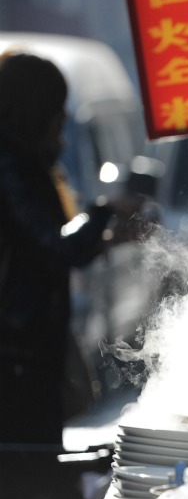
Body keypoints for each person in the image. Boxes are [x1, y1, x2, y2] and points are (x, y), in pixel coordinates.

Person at [0, 50, 142, 446]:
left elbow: (42, 248)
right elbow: (57, 246)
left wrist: (111, 239)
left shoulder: (24, 160)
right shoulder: (10, 165)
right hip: (15, 353)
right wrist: (105, 210)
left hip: (29, 350)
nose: (61, 117)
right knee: (29, 464)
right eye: (56, 107)